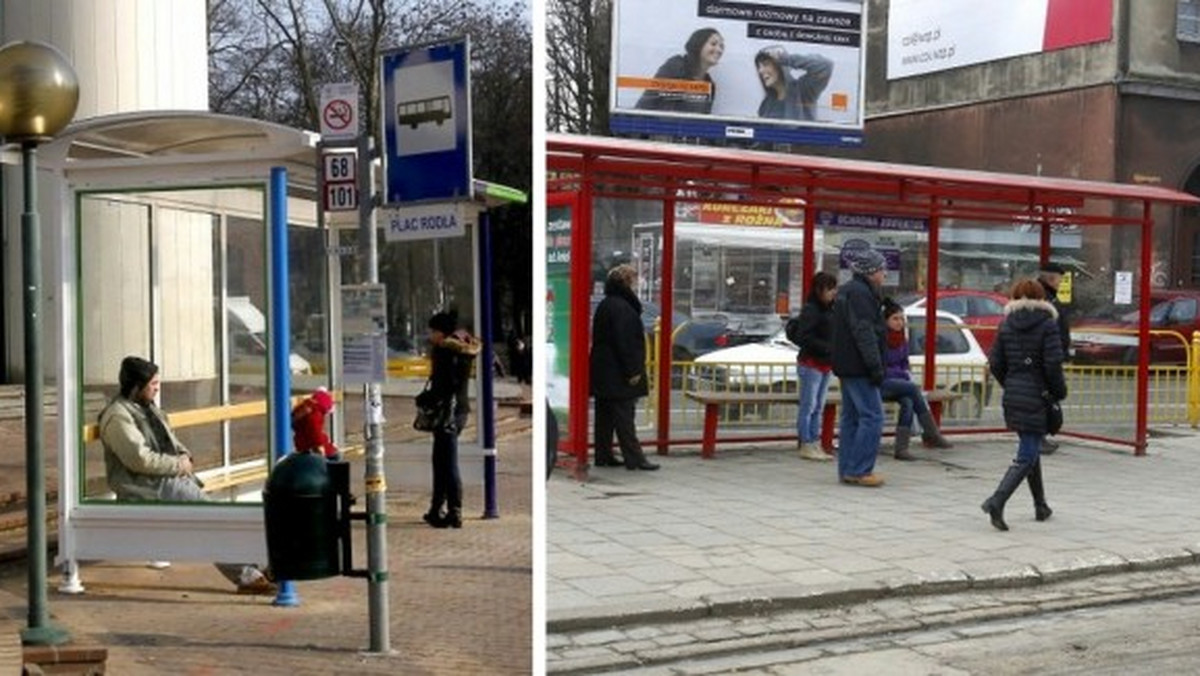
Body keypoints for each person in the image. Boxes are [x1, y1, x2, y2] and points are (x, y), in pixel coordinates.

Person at [98, 356, 274, 594]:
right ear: (136, 386)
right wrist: (178, 465)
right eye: (153, 384)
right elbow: (139, 459)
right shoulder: (118, 416)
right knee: (209, 519)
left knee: (217, 518)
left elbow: (173, 441)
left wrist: (185, 457)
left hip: (169, 479)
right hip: (147, 486)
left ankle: (254, 567)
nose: (157, 388)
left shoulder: (151, 410)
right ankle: (247, 574)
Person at [982, 279, 1067, 531]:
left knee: (1030, 446)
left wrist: (1011, 383)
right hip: (1037, 394)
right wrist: (1059, 391)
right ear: (1041, 298)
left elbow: (995, 362)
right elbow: (1053, 364)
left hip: (1015, 392)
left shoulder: (1007, 324)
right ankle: (997, 501)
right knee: (1027, 454)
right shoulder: (1047, 325)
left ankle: (1040, 505)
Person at [590, 264, 660, 471]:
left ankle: (603, 455)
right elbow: (626, 343)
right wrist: (633, 371)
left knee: (604, 416)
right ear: (627, 283)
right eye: (634, 280)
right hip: (619, 371)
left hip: (604, 369)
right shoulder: (623, 307)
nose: (637, 284)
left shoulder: (606, 304)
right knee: (624, 416)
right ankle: (635, 459)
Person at [830, 249, 888, 487]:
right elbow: (864, 333)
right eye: (881, 269)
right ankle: (860, 469)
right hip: (859, 365)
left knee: (851, 417)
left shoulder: (846, 291)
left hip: (845, 363)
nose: (884, 273)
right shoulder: (862, 295)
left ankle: (847, 468)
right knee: (873, 416)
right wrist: (875, 366)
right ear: (872, 271)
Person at [421, 311, 480, 529]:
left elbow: (443, 385)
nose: (430, 335)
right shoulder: (464, 350)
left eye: (433, 331)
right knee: (442, 460)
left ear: (442, 332)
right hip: (460, 410)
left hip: (446, 411)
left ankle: (453, 510)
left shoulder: (444, 352)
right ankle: (437, 508)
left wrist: (427, 398)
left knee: (446, 462)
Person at [879, 299, 954, 461]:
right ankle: (931, 433)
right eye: (895, 319)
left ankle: (901, 449)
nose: (900, 323)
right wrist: (902, 375)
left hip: (897, 384)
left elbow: (904, 364)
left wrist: (902, 374)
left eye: (901, 319)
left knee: (908, 401)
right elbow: (882, 368)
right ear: (885, 321)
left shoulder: (902, 340)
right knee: (912, 389)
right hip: (880, 383)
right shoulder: (880, 339)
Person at [790, 271, 837, 462]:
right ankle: (806, 443)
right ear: (819, 290)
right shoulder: (811, 310)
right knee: (808, 406)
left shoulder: (832, 309)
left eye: (835, 288)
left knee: (818, 406)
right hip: (811, 363)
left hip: (826, 364)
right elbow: (804, 337)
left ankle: (814, 441)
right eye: (830, 288)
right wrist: (825, 348)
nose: (833, 292)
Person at [635, 28, 724, 114]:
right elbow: (647, 102)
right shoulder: (676, 66)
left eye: (721, 46)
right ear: (699, 45)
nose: (719, 50)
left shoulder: (709, 85)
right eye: (713, 44)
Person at [1037, 262, 1072, 455]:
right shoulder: (1043, 298)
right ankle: (1037, 438)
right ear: (1051, 278)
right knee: (1043, 397)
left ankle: (1039, 437)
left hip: (1047, 356)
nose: (1061, 283)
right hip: (1045, 358)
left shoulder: (1046, 296)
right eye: (1060, 279)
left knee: (1043, 398)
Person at [754, 46, 833, 121]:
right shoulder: (767, 104)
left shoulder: (803, 90)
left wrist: (786, 59)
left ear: (780, 65)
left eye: (765, 64)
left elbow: (825, 65)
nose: (760, 71)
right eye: (759, 67)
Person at [291, 387, 338, 460]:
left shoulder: (303, 408)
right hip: (315, 451)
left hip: (302, 448)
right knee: (335, 457)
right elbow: (316, 435)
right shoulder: (315, 415)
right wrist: (322, 453)